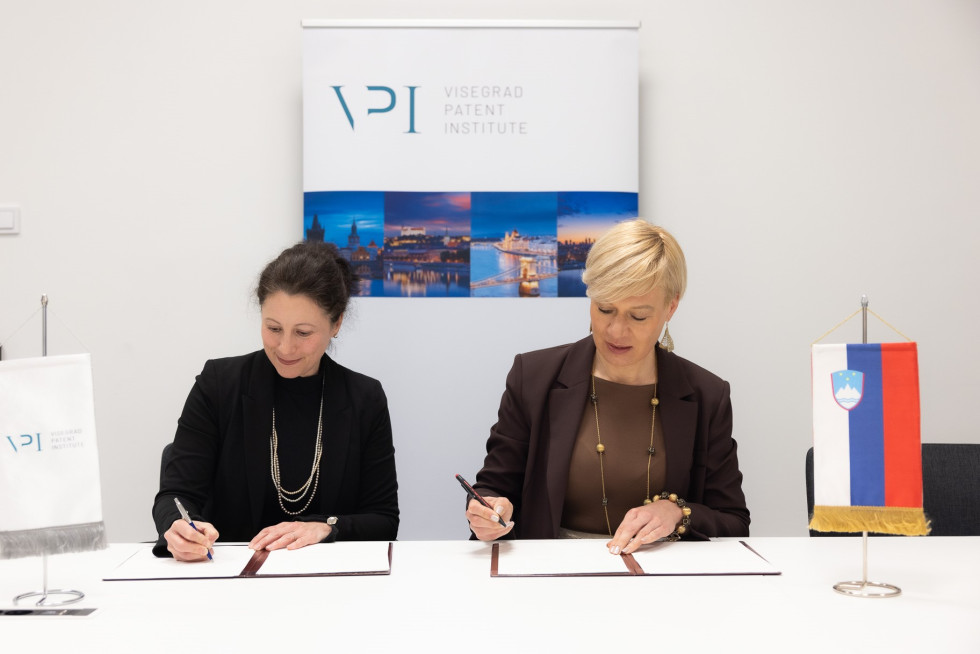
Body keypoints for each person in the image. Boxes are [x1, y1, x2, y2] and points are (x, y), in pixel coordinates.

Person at [466, 219, 748, 555]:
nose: (616, 330)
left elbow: (733, 521)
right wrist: (488, 510)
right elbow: (493, 487)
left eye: (638, 316)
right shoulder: (533, 377)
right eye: (605, 309)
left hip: (663, 583)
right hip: (551, 579)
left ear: (670, 307)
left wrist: (677, 512)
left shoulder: (707, 395)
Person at [152, 241, 398, 560]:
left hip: (328, 585)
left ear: (335, 324)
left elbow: (383, 520)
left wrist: (327, 527)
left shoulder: (364, 398)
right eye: (273, 328)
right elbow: (176, 495)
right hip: (228, 577)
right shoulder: (219, 384)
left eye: (303, 333)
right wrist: (179, 529)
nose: (284, 348)